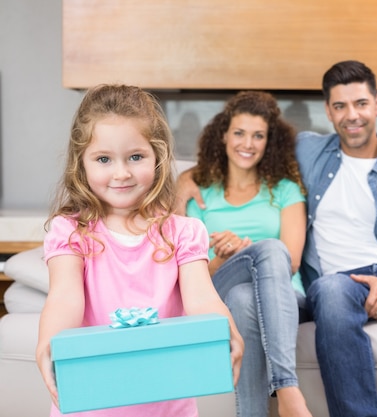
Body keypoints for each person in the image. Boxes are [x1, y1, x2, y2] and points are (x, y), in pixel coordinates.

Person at [177, 61, 377, 417]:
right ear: (328, 111)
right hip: (330, 282)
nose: (351, 115)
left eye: (361, 104)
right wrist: (184, 177)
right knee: (320, 290)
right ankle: (287, 392)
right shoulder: (310, 150)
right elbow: (184, 255)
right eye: (340, 106)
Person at [35, 84, 244, 417]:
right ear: (82, 163)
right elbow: (64, 298)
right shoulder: (71, 232)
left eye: (136, 156)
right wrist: (48, 342)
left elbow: (201, 297)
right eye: (103, 159)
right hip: (88, 406)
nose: (122, 173)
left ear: (157, 157)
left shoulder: (184, 232)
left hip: (169, 406)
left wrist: (225, 327)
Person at [182, 91, 312, 417]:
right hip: (218, 283)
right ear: (224, 135)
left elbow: (292, 260)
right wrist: (227, 257)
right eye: (239, 133)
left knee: (245, 295)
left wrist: (246, 249)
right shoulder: (199, 193)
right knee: (262, 254)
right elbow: (193, 275)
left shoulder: (285, 189)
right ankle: (287, 390)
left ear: (270, 141)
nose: (248, 143)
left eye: (258, 136)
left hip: (283, 291)